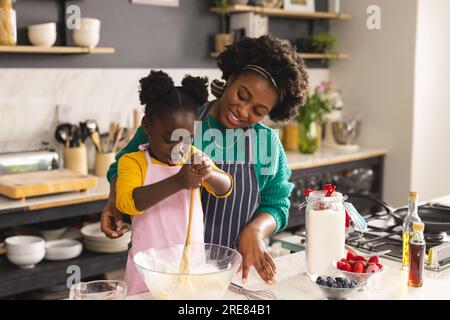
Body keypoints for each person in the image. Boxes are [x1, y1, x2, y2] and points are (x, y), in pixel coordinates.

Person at [101, 35, 309, 284]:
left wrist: (256, 230)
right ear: (230, 79)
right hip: (163, 270)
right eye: (242, 95)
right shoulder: (182, 118)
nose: (243, 111)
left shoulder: (266, 143)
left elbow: (277, 203)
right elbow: (124, 163)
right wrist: (115, 200)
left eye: (258, 111)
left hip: (232, 273)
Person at [116, 71, 233, 295]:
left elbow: (225, 187)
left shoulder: (193, 156)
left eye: (187, 137)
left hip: (191, 270)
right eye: (170, 138)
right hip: (147, 275)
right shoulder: (133, 162)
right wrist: (178, 182)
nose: (179, 146)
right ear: (147, 126)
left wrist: (209, 173)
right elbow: (127, 202)